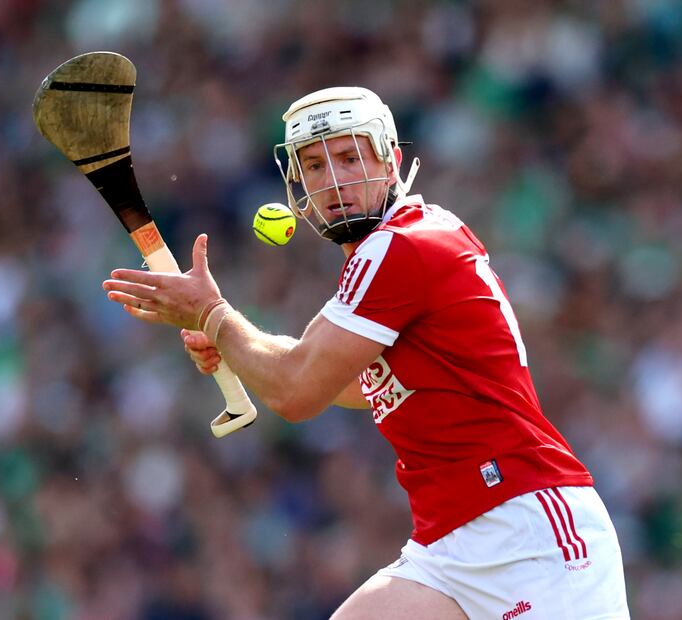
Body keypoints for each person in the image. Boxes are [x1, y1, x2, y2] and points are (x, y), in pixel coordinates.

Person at [103, 87, 630, 619]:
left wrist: (214, 318)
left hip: (527, 530)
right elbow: (352, 380)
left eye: (350, 157)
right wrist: (231, 341)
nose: (333, 181)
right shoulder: (406, 239)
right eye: (313, 164)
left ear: (391, 161)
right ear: (296, 183)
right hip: (447, 547)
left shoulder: (400, 248)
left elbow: (296, 390)